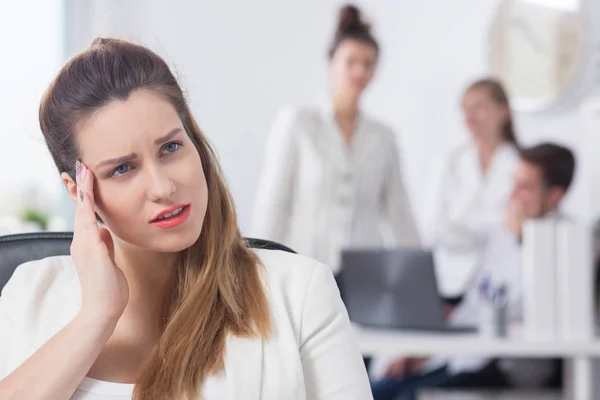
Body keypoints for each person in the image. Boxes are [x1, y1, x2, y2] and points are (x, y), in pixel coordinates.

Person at [0, 38, 372, 400]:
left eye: (171, 147)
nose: (162, 187)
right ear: (77, 190)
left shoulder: (302, 294)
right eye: (123, 169)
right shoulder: (31, 293)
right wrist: (95, 317)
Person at [371, 142, 576, 400]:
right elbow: (475, 305)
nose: (513, 195)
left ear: (555, 195)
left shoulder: (569, 243)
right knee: (376, 391)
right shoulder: (504, 235)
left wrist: (521, 242)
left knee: (408, 396)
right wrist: (423, 354)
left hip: (508, 367)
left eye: (524, 187)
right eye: (513, 183)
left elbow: (522, 308)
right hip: (465, 357)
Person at [251, 4, 420, 278]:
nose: (359, 72)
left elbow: (400, 212)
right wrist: (256, 271)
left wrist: (419, 277)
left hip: (365, 278)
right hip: (305, 271)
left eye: (368, 64)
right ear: (332, 64)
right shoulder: (297, 123)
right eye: (351, 61)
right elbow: (273, 203)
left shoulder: (384, 138)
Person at [424, 78, 520, 298]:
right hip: (451, 283)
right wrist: (494, 229)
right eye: (465, 108)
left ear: (503, 112)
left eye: (479, 107)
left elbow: (518, 229)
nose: (469, 116)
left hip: (505, 282)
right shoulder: (449, 162)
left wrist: (464, 226)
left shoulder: (520, 166)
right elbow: (435, 228)